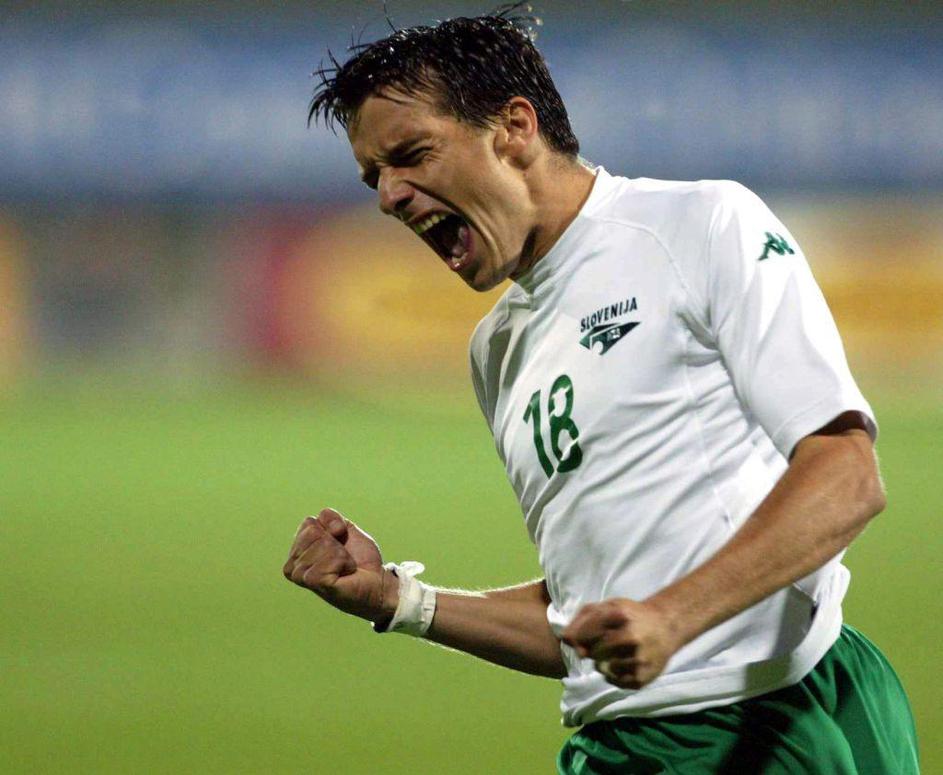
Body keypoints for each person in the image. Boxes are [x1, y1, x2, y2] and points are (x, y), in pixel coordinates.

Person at [282, 7, 919, 772]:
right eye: (374, 178)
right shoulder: (497, 348)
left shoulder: (695, 227)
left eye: (411, 155)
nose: (389, 196)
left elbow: (846, 475)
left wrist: (671, 618)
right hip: (651, 734)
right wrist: (400, 601)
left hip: (759, 720)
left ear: (514, 128)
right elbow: (590, 620)